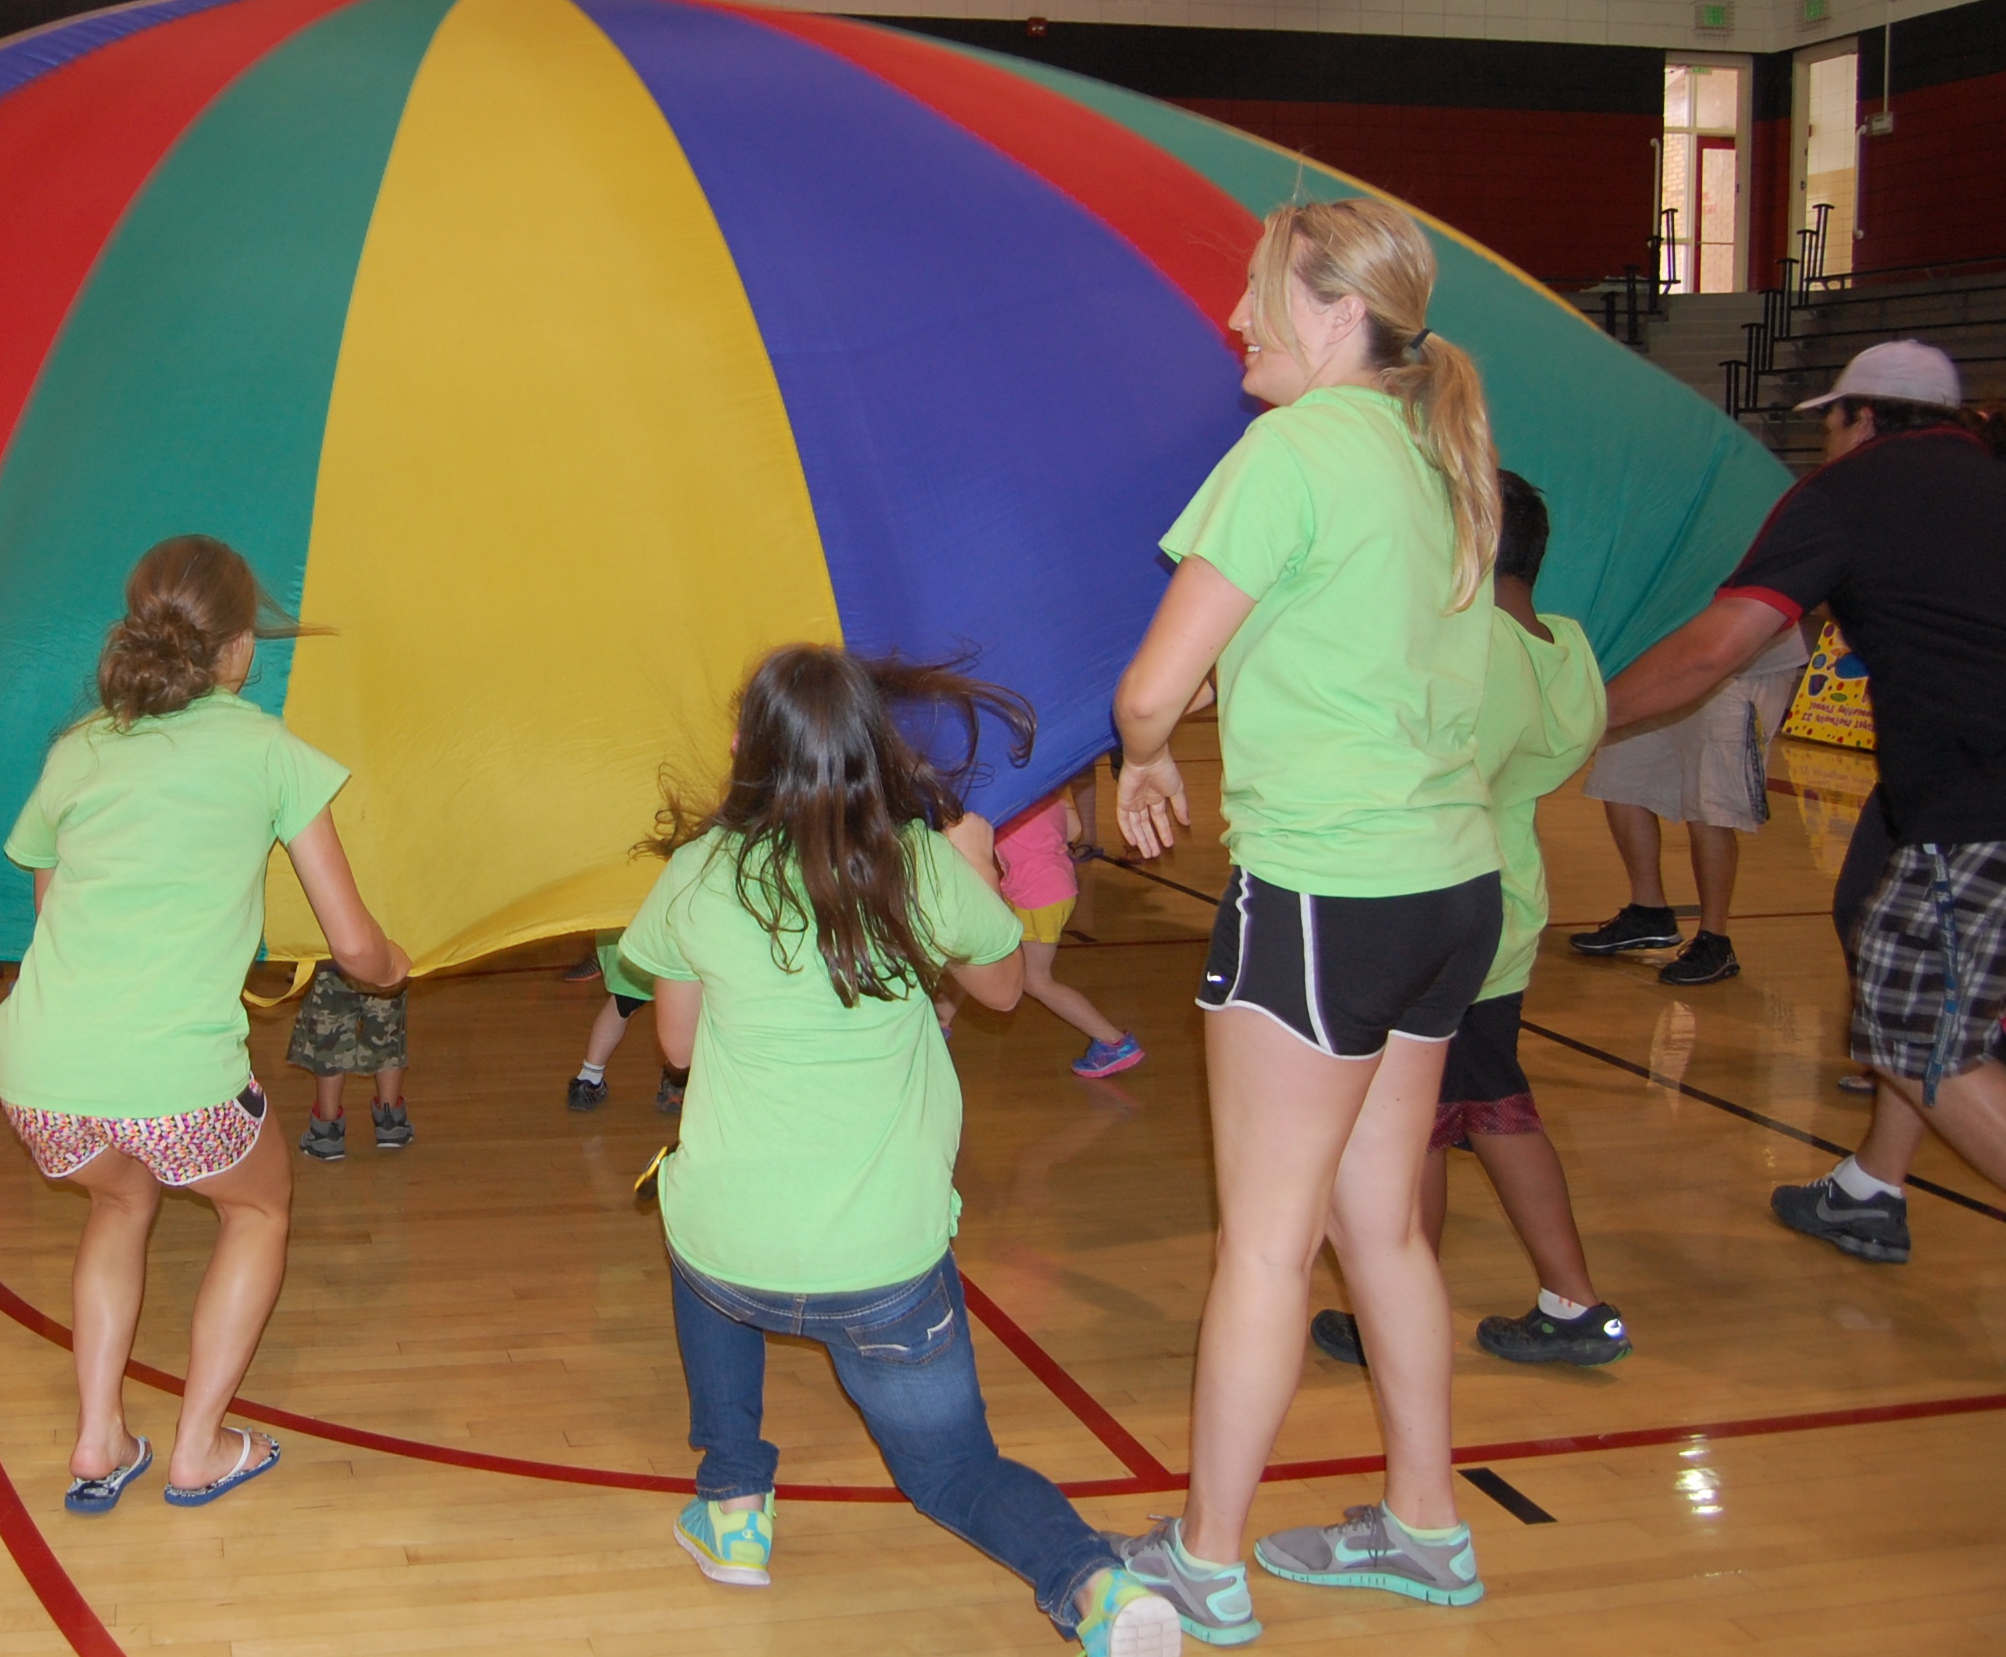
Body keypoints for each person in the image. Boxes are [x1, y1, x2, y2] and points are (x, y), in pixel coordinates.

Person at [1105, 198, 1501, 1642]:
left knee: (1268, 1243)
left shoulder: (1291, 449)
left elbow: (1150, 687)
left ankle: (1204, 1562)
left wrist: (1146, 751)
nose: (1237, 322)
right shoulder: (1438, 453)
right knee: (1379, 1225)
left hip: (1332, 890)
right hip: (1452, 886)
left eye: (1261, 296)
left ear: (1337, 315)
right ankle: (1427, 1528)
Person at [622, 644, 1176, 1657]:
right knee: (956, 1473)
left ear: (745, 748)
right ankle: (1091, 1586)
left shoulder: (699, 871)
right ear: (873, 749)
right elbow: (1005, 991)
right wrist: (965, 855)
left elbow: (676, 1047)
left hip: (727, 1252)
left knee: (695, 1217)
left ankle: (734, 1501)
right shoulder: (917, 865)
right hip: (884, 1269)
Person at [0, 536, 409, 1511]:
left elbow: (51, 910)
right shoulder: (267, 749)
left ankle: (98, 1439)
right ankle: (198, 1445)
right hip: (174, 1075)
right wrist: (392, 965)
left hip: (37, 1066)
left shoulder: (78, 748)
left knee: (119, 1199)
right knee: (256, 1205)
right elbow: (355, 948)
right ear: (235, 651)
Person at [1603, 342, 2006, 1265]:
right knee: (1873, 914)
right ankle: (1871, 1189)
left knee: (1911, 1034)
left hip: (1977, 798)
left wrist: (1571, 715)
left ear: (1858, 418)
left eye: (1829, 421)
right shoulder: (1984, 479)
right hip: (1936, 795)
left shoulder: (1850, 493)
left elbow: (1713, 653)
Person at [1312, 471, 1626, 1371]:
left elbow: (1432, 766)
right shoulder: (1564, 645)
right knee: (1477, 1103)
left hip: (1441, 900)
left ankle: (1397, 1313)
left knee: (1419, 1118)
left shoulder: (1474, 647)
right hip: (1509, 902)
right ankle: (1563, 1304)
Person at [1565, 619, 1808, 986]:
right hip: (1669, 652)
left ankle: (1715, 938)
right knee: (1620, 777)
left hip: (1743, 660)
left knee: (1711, 806)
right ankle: (1648, 911)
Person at [941, 784, 1142, 1076]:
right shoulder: (1049, 790)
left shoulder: (998, 800)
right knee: (983, 951)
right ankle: (941, 1021)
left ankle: (1114, 1042)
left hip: (1036, 894)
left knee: (1035, 980)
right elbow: (1072, 829)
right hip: (1055, 885)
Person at [286, 963, 412, 1159]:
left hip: (332, 960)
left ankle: (327, 1130)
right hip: (385, 957)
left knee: (330, 1041)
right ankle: (391, 1120)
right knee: (388, 1033)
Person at [564, 936, 689, 1114]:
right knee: (680, 1001)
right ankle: (677, 1083)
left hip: (624, 936)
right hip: (668, 933)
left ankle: (587, 1080)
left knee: (622, 1003)